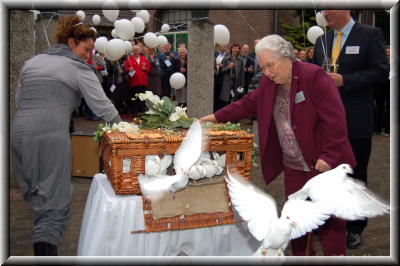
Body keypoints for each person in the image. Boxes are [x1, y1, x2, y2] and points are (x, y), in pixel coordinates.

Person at [200, 34, 356, 256]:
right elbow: (247, 104)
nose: (267, 72)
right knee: (294, 223)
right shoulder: (268, 82)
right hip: (294, 165)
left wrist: (329, 156)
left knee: (330, 223)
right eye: (263, 68)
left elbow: (336, 119)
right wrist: (213, 117)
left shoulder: (313, 76)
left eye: (270, 66)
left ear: (286, 58)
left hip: (323, 165)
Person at [10, 16, 121, 256]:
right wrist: (126, 130)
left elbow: (19, 101)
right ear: (71, 43)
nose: (89, 55)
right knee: (55, 203)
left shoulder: (32, 62)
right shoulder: (78, 67)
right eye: (86, 49)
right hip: (50, 135)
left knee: (41, 198)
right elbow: (104, 107)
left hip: (19, 133)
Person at [312, 10, 389, 249]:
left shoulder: (370, 34)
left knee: (355, 175)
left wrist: (346, 80)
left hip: (355, 120)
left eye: (330, 6)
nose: (325, 12)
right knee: (326, 175)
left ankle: (355, 227)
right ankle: (327, 219)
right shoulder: (322, 40)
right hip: (324, 122)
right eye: (323, 7)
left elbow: (381, 73)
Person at [125, 45, 151, 118]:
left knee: (142, 97)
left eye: (137, 50)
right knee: (134, 97)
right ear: (132, 52)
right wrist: (129, 69)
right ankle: (135, 112)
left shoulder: (144, 58)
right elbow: (125, 67)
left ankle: (140, 112)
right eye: (134, 51)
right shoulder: (129, 59)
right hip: (134, 81)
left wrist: (145, 68)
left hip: (143, 81)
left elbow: (149, 67)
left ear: (140, 51)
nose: (136, 52)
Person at [84, 51, 105, 121]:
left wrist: (97, 67)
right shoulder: (81, 57)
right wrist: (84, 63)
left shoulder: (95, 57)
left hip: (96, 80)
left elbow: (102, 66)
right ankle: (88, 113)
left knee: (95, 98)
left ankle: (95, 114)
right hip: (86, 80)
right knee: (87, 98)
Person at [213, 44, 228, 112]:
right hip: (215, 76)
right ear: (219, 47)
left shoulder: (228, 56)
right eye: (222, 46)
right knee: (215, 93)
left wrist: (223, 65)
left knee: (221, 94)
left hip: (223, 77)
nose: (223, 48)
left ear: (227, 48)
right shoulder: (215, 54)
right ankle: (214, 109)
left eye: (224, 47)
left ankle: (220, 109)